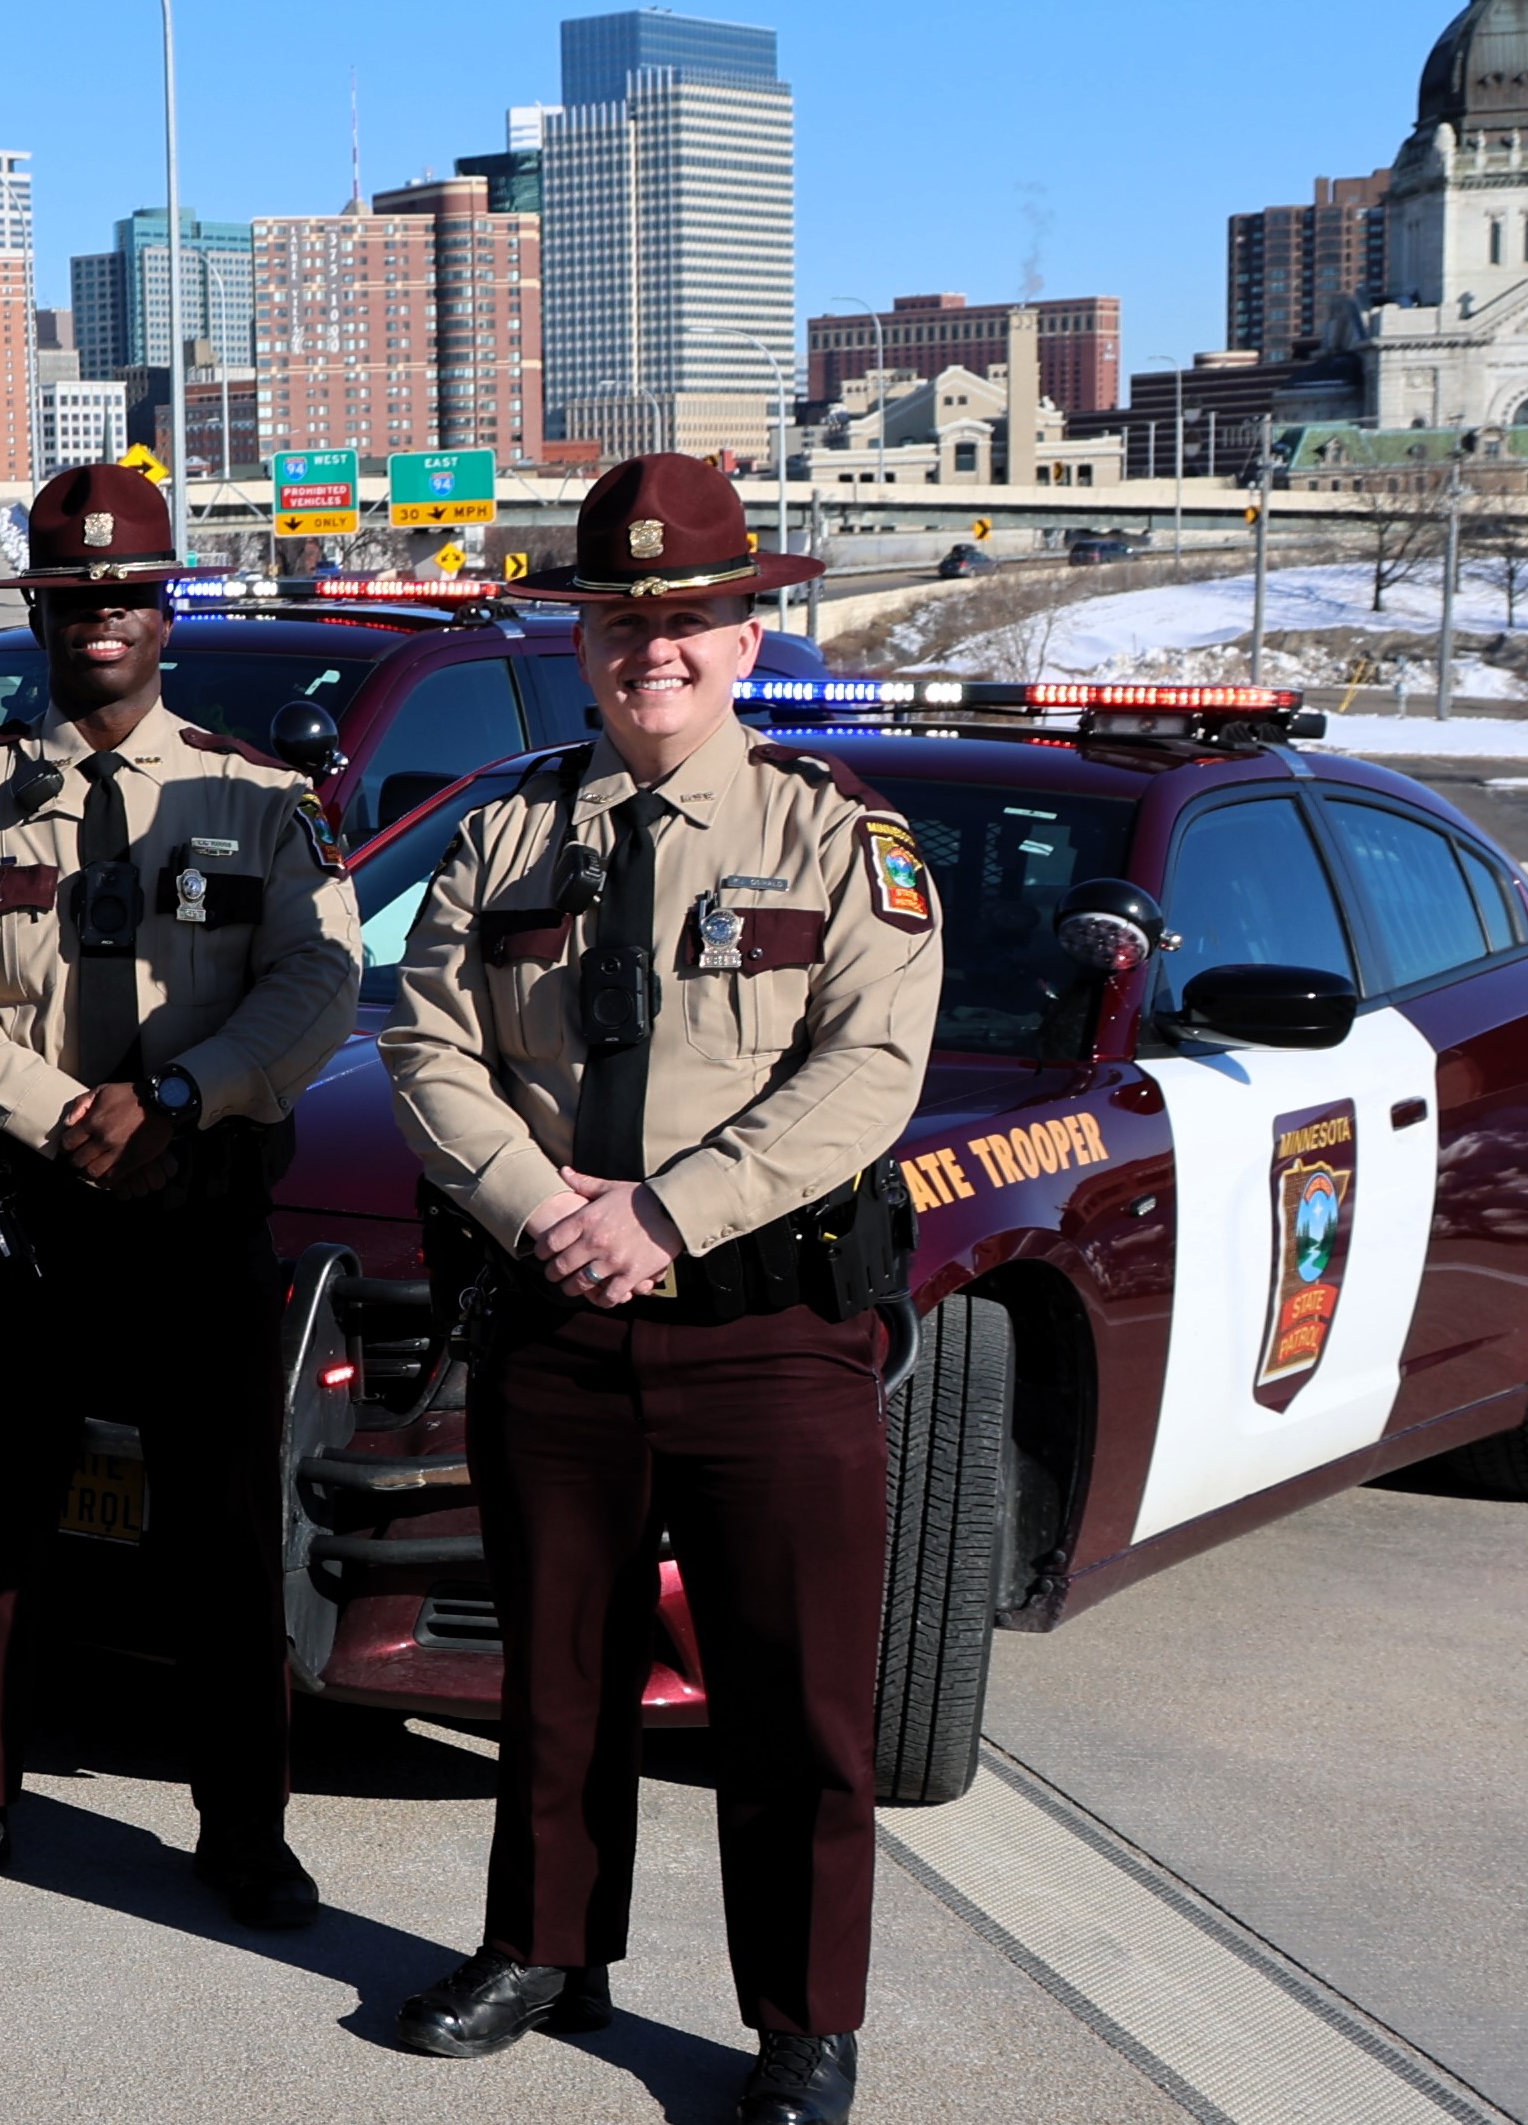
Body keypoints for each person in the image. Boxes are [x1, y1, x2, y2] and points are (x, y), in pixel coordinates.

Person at [371, 454, 941, 2125]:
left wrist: (668, 1216)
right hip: (554, 1313)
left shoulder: (841, 841)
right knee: (555, 1670)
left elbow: (868, 1070)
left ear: (747, 636)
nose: (654, 652)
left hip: (768, 1332)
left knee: (792, 1699)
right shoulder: (503, 833)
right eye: (621, 622)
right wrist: (541, 1205)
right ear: (582, 642)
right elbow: (424, 1042)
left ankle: (799, 2025)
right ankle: (545, 1952)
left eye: (685, 619)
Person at [0, 461, 361, 1931]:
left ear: (165, 610)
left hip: (194, 1204)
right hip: (24, 1209)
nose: (101, 616)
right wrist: (53, 1111)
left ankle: (245, 1827)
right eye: (74, 593)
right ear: (39, 610)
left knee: (218, 1529)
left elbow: (318, 982)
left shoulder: (262, 800)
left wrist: (181, 1098)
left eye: (127, 592)